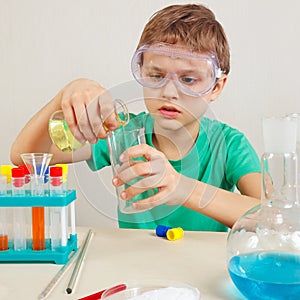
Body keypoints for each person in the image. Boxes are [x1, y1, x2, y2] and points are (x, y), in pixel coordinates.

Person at [10, 4, 261, 232]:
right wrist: (64, 96)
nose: (169, 92)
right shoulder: (122, 132)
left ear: (216, 87)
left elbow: (274, 218)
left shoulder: (229, 145)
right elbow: (24, 157)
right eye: (156, 75)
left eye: (188, 79)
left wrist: (180, 187)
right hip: (136, 273)